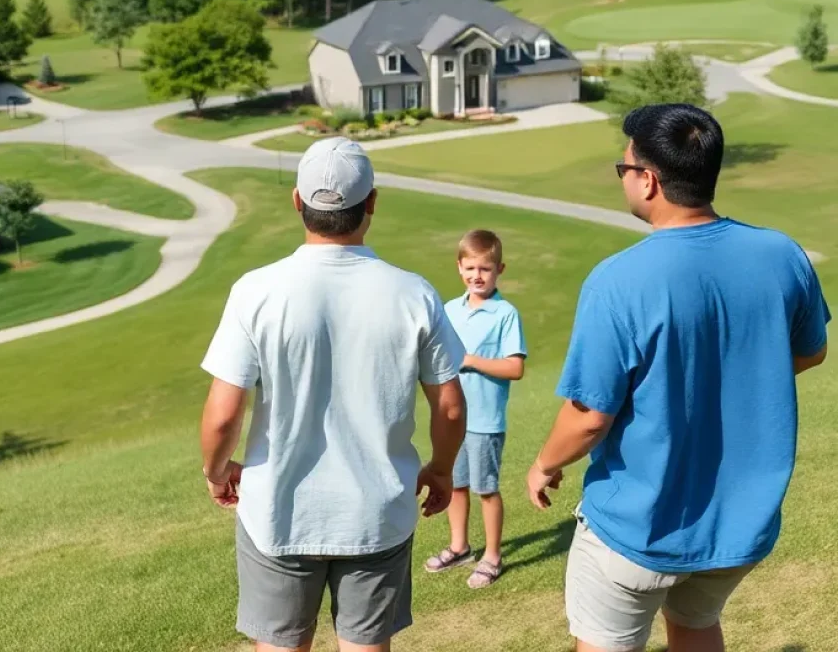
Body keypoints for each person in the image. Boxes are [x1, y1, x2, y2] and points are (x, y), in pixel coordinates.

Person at [527, 103, 830, 652]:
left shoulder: (618, 280)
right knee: (695, 627)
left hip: (635, 531)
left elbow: (589, 416)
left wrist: (544, 464)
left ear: (648, 180)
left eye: (624, 169)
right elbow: (812, 352)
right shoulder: (783, 255)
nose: (623, 179)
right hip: (738, 531)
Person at [200, 136, 467, 652]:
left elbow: (222, 415)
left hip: (278, 511)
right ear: (371, 203)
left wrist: (217, 472)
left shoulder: (255, 291)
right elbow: (450, 405)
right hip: (377, 515)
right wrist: (441, 468)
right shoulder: (414, 293)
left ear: (297, 202)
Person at [425, 229, 526, 589]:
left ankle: (493, 556)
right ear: (459, 268)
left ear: (499, 268)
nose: (477, 276)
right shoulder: (449, 310)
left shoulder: (505, 313)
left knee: (486, 489)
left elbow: (515, 367)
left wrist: (471, 360)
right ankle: (459, 547)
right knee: (455, 485)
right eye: (470, 268)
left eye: (485, 269)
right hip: (454, 418)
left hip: (485, 420)